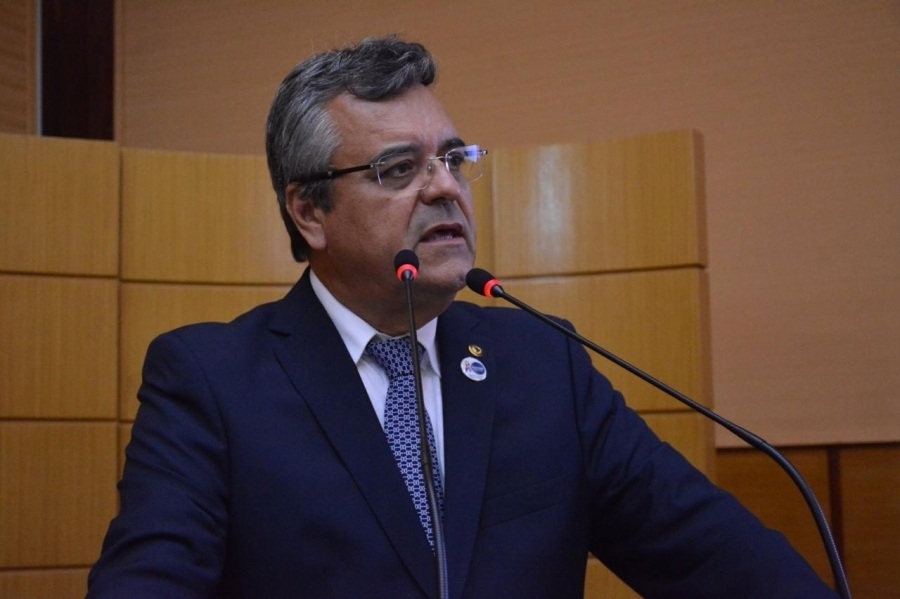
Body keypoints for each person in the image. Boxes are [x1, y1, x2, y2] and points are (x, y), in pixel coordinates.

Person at [87, 35, 838, 598]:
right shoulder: (211, 382)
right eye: (399, 168)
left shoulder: (543, 362)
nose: (446, 187)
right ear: (309, 211)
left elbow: (710, 552)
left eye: (453, 158)